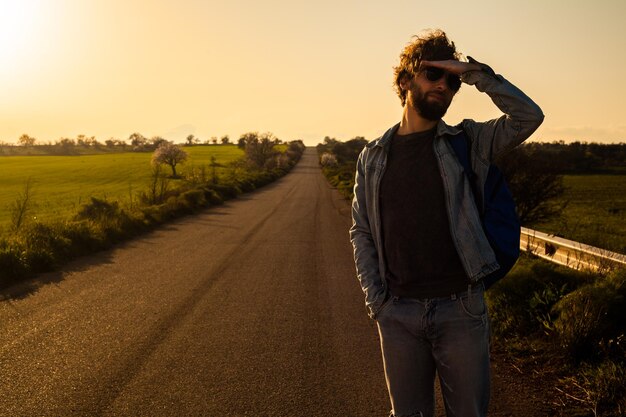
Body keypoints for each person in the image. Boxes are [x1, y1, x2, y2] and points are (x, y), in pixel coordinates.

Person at [349, 29, 544, 417]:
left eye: (451, 81)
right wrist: (378, 301)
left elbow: (528, 117)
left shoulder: (468, 141)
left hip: (461, 309)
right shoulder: (372, 157)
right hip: (398, 313)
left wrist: (476, 74)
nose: (444, 85)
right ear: (405, 82)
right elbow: (362, 231)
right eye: (432, 75)